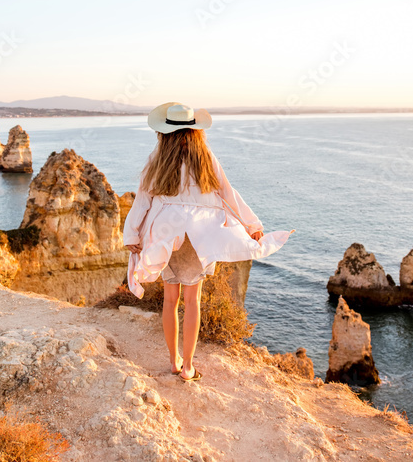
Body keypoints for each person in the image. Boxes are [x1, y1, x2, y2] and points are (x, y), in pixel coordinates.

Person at [122, 102, 294, 382]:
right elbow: (228, 193)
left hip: (166, 234)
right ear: (195, 131)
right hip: (199, 236)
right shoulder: (205, 158)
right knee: (193, 301)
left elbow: (143, 199)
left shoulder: (157, 159)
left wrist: (132, 234)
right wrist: (253, 225)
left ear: (164, 132)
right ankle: (189, 367)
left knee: (170, 299)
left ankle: (173, 362)